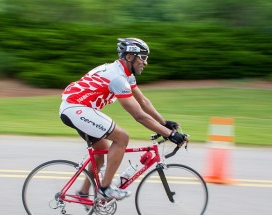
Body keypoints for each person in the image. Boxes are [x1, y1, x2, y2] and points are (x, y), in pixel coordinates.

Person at [59, 38, 185, 200]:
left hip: (77, 109)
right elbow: (139, 115)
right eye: (143, 57)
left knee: (101, 150)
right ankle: (105, 189)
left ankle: (83, 193)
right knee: (122, 137)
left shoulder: (125, 74)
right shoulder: (117, 77)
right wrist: (169, 134)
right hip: (76, 108)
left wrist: (163, 123)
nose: (145, 63)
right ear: (130, 56)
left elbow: (143, 102)